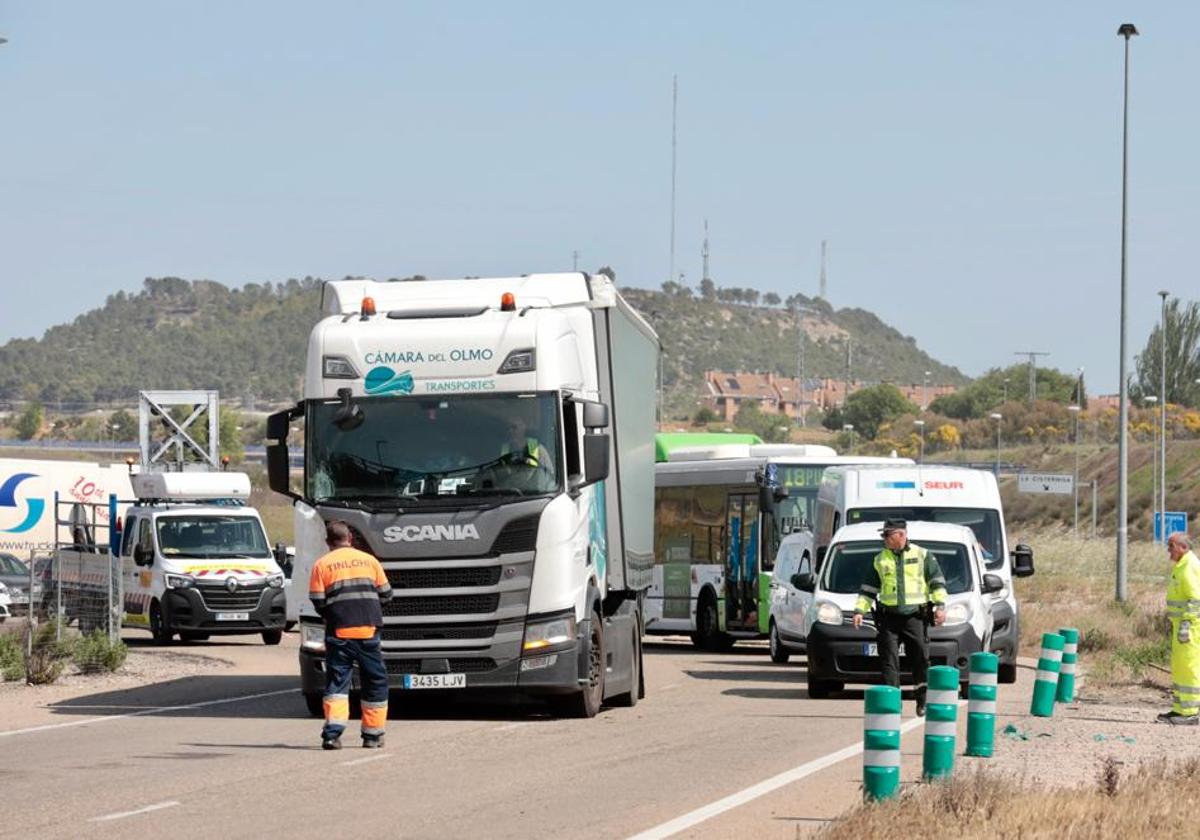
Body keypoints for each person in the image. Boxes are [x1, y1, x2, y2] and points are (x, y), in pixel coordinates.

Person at [308, 520, 393, 750]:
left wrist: (333, 614)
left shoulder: (322, 565)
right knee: (375, 681)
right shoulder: (370, 561)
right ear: (350, 539)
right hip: (368, 631)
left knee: (338, 682)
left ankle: (332, 736)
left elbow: (317, 600)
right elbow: (386, 594)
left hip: (339, 633)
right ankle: (372, 736)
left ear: (328, 542)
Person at [852, 518, 947, 716]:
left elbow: (937, 582)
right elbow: (868, 589)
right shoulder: (880, 559)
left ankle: (923, 702)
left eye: (888, 535)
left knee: (921, 659)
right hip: (889, 619)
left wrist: (940, 607)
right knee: (889, 660)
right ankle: (893, 703)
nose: (884, 538)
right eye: (884, 535)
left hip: (915, 617)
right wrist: (859, 611)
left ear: (901, 535)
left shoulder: (922, 555)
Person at [1159, 532, 1200, 726]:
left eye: (1171, 546)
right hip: (1181, 627)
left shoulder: (1190, 566)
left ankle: (1190, 712)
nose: (1168, 550)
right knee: (1180, 668)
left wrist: (1186, 624)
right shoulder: (1181, 566)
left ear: (1182, 547)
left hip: (1190, 628)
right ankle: (1180, 709)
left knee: (1189, 668)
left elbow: (1196, 599)